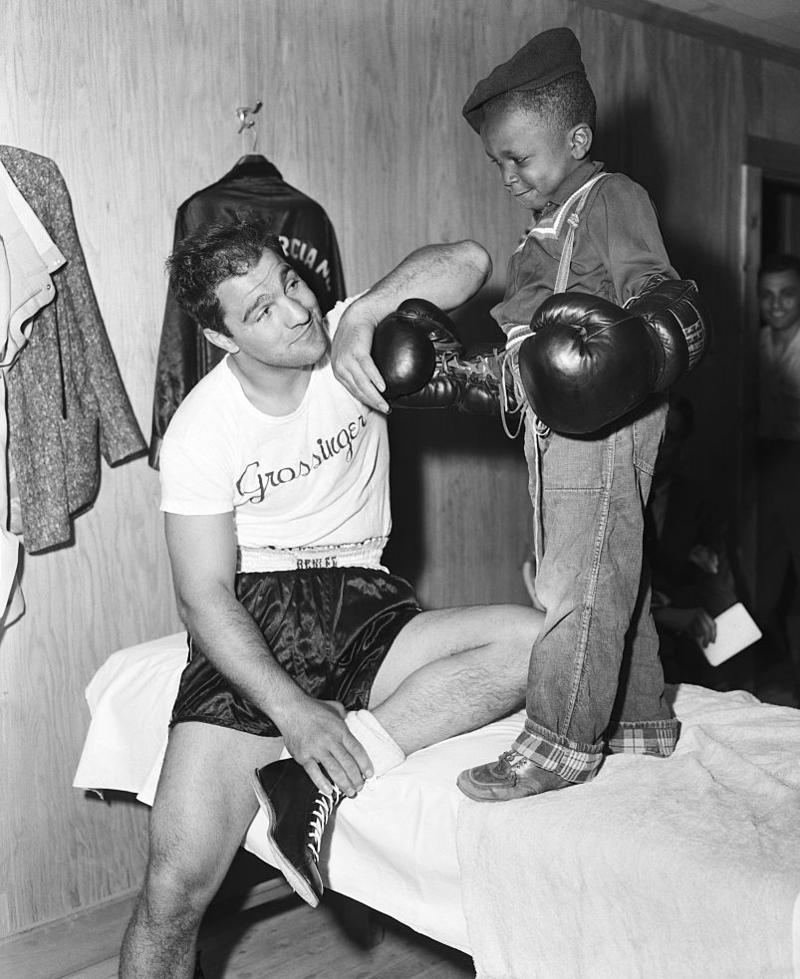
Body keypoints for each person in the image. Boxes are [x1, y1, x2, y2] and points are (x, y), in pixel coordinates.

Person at [118, 213, 543, 979]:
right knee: (173, 889)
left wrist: (369, 314)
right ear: (222, 339)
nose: (294, 310)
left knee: (536, 641)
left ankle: (303, 785)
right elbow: (205, 597)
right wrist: (294, 712)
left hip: (366, 598)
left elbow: (470, 260)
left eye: (291, 280)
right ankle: (303, 755)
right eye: (260, 311)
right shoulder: (199, 431)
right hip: (259, 609)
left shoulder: (351, 327)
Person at [332, 27, 711, 802]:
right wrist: (450, 371)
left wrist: (642, 342)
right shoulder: (542, 230)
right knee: (612, 570)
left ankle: (559, 741)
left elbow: (661, 291)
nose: (507, 174)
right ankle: (636, 717)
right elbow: (520, 354)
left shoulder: (614, 199)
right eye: (496, 161)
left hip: (610, 417)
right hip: (557, 426)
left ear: (576, 137)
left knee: (575, 582)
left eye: (520, 157)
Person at [644, 393, 744, 690]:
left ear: (681, 448)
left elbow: (717, 576)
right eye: (653, 434)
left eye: (669, 437)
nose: (657, 446)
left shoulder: (699, 503)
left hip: (684, 637)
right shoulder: (615, 498)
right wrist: (663, 612)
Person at [755, 253, 800, 691]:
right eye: (767, 295)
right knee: (765, 575)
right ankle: (773, 672)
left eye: (787, 294)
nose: (778, 304)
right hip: (766, 464)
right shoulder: (758, 341)